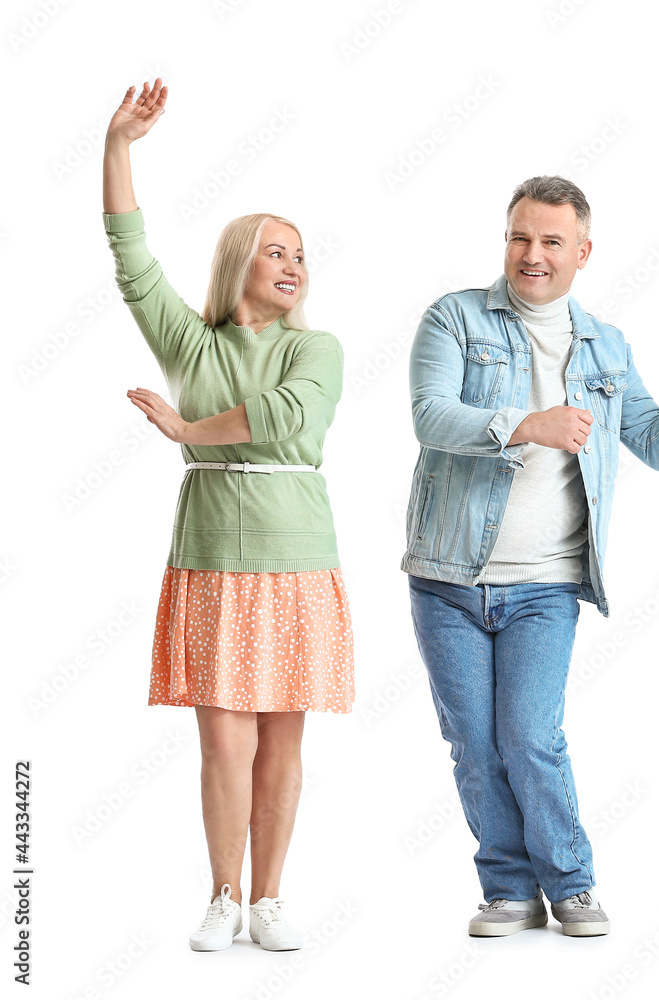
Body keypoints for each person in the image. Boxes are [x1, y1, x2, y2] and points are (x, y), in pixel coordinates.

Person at [401, 174, 659, 938]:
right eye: (519, 237)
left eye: (550, 241)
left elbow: (653, 445)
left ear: (581, 251)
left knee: (529, 736)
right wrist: (528, 425)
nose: (531, 254)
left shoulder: (605, 345)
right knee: (473, 744)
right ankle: (506, 889)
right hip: (446, 576)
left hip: (546, 584)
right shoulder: (454, 318)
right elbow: (431, 417)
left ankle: (569, 882)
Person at [102, 79, 354, 952]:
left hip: (296, 558)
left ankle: (271, 900)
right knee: (223, 745)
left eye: (301, 254)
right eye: (275, 251)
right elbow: (132, 260)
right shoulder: (190, 344)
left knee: (284, 740)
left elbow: (283, 418)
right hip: (211, 553)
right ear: (238, 263)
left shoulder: (316, 348)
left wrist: (183, 429)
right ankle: (221, 894)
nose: (293, 265)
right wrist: (118, 148)